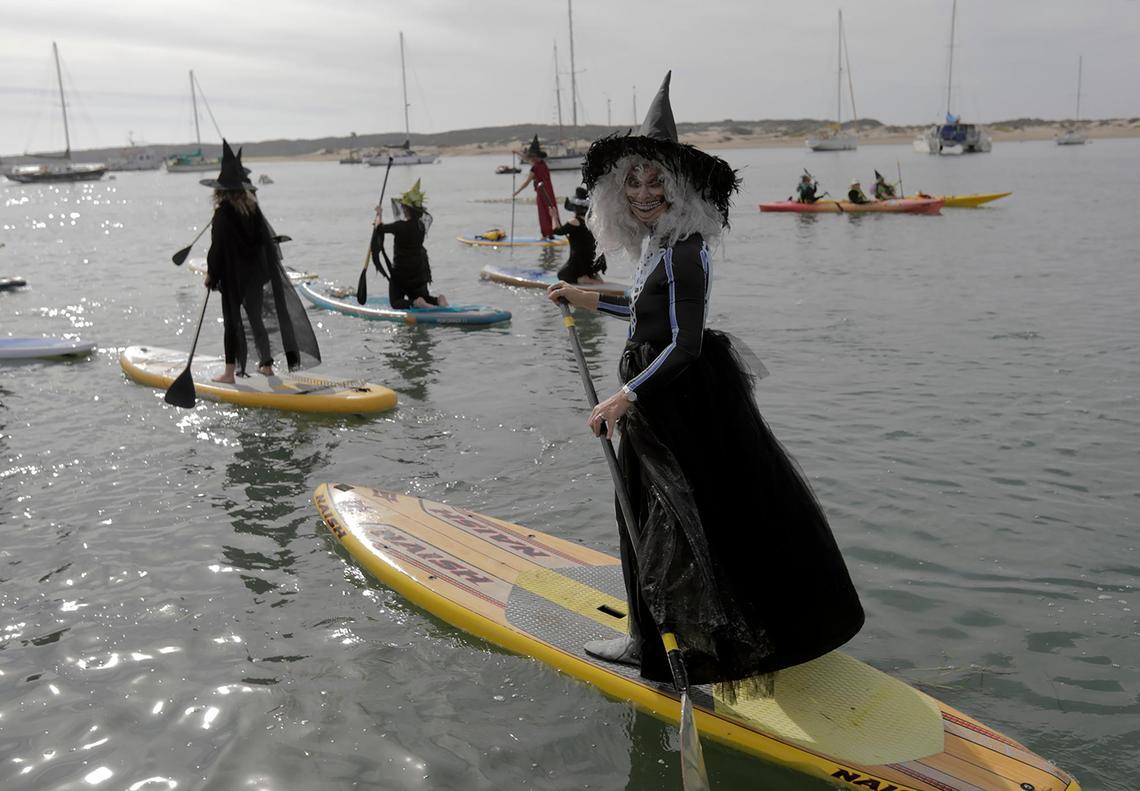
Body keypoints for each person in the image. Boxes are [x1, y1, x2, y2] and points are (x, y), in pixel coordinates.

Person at [546, 72, 863, 697]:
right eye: (631, 180)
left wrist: (626, 395)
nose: (642, 191)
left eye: (654, 179)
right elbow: (646, 316)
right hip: (655, 386)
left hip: (674, 397)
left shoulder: (686, 250)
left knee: (670, 519)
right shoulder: (656, 244)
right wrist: (588, 298)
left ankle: (661, 644)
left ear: (679, 185)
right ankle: (645, 634)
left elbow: (685, 344)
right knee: (646, 509)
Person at [202, 140, 320, 383]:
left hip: (234, 278)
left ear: (220, 190)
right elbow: (263, 242)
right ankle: (266, 365)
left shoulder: (222, 213)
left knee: (232, 323)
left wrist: (212, 275)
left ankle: (228, 373)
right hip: (255, 276)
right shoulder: (252, 209)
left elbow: (217, 249)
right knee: (256, 319)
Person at [371, 179, 448, 308]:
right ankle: (438, 300)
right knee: (425, 297)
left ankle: (416, 303)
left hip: (402, 273)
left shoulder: (399, 226)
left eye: (403, 207)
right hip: (419, 272)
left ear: (407, 209)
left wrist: (379, 214)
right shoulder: (421, 226)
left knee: (395, 302)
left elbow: (379, 228)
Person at [553, 186, 607, 284]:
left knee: (561, 275)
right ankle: (591, 274)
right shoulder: (590, 221)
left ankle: (584, 278)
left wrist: (554, 216)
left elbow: (557, 231)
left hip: (580, 260)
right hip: (592, 260)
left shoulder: (574, 221)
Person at [513, 135, 561, 238]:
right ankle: (552, 233)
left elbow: (526, 183)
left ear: (534, 157)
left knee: (543, 213)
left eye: (531, 157)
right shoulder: (543, 164)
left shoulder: (535, 168)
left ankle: (546, 234)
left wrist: (516, 192)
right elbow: (527, 158)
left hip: (542, 192)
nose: (529, 158)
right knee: (551, 210)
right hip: (550, 191)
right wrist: (517, 153)